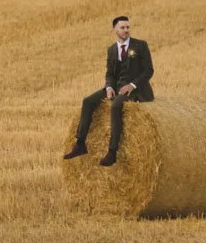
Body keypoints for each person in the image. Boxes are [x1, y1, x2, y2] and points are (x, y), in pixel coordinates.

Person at [63, 15, 155, 167]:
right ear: (114, 30)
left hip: (136, 90)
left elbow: (149, 71)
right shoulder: (112, 50)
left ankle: (112, 151)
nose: (126, 30)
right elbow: (110, 74)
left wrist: (132, 85)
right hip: (117, 86)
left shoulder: (140, 46)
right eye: (123, 27)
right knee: (88, 101)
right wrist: (109, 86)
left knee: (116, 106)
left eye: (128, 27)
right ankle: (80, 143)